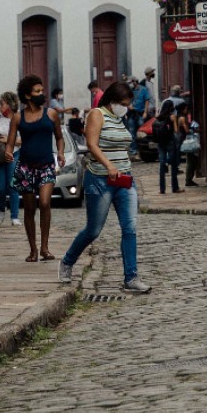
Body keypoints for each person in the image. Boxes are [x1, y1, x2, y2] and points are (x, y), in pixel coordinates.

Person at [59, 82, 150, 294]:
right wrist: (109, 165)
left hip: (124, 180)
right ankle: (67, 261)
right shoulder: (97, 114)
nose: (126, 107)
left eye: (128, 104)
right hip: (100, 179)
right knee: (93, 230)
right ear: (113, 101)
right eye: (124, 103)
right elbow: (92, 144)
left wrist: (121, 167)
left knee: (130, 228)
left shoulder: (120, 119)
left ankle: (131, 277)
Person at [12, 74, 64, 263]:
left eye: (42, 90)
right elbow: (10, 142)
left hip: (46, 165)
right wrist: (8, 152)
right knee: (29, 208)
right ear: (27, 95)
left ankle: (45, 247)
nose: (41, 94)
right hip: (26, 167)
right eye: (37, 91)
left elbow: (59, 136)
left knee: (44, 202)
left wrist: (60, 152)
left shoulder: (51, 114)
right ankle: (33, 249)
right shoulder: (18, 117)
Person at [0, 92, 20, 225]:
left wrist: (9, 140)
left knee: (13, 185)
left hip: (13, 154)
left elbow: (23, 140)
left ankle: (14, 216)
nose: (0, 106)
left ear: (10, 105)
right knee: (0, 187)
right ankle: (1, 209)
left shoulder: (18, 119)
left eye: (2, 103)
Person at [152, 104, 181, 195]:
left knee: (162, 165)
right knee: (173, 165)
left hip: (161, 144)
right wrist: (175, 121)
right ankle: (175, 188)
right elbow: (176, 131)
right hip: (170, 143)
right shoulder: (172, 117)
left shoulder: (158, 118)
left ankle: (162, 189)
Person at [182, 111, 202, 187]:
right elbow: (188, 131)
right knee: (190, 162)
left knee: (193, 162)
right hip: (190, 143)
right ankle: (188, 180)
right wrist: (194, 130)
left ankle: (189, 179)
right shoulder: (185, 121)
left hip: (193, 143)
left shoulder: (190, 122)